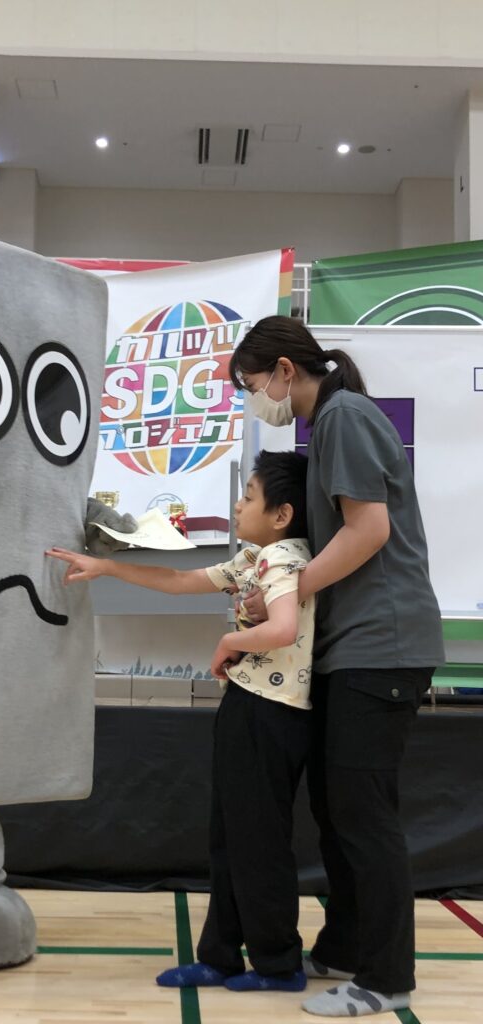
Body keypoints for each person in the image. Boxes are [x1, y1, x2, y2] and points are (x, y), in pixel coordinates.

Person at [229, 315, 444, 1018]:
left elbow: (369, 530)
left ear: (285, 371)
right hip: (352, 648)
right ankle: (348, 945)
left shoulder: (344, 415)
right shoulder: (326, 426)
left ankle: (385, 978)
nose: (254, 398)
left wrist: (288, 591)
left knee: (362, 815)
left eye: (252, 384)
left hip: (382, 646)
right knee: (335, 807)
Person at [48, 450, 315, 994]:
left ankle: (278, 963)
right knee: (229, 836)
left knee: (259, 840)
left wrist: (229, 641)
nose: (238, 506)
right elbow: (177, 579)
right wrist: (106, 566)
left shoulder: (283, 557)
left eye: (249, 497)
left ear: (282, 514)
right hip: (247, 704)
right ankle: (220, 956)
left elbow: (284, 627)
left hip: (272, 712)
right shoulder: (253, 557)